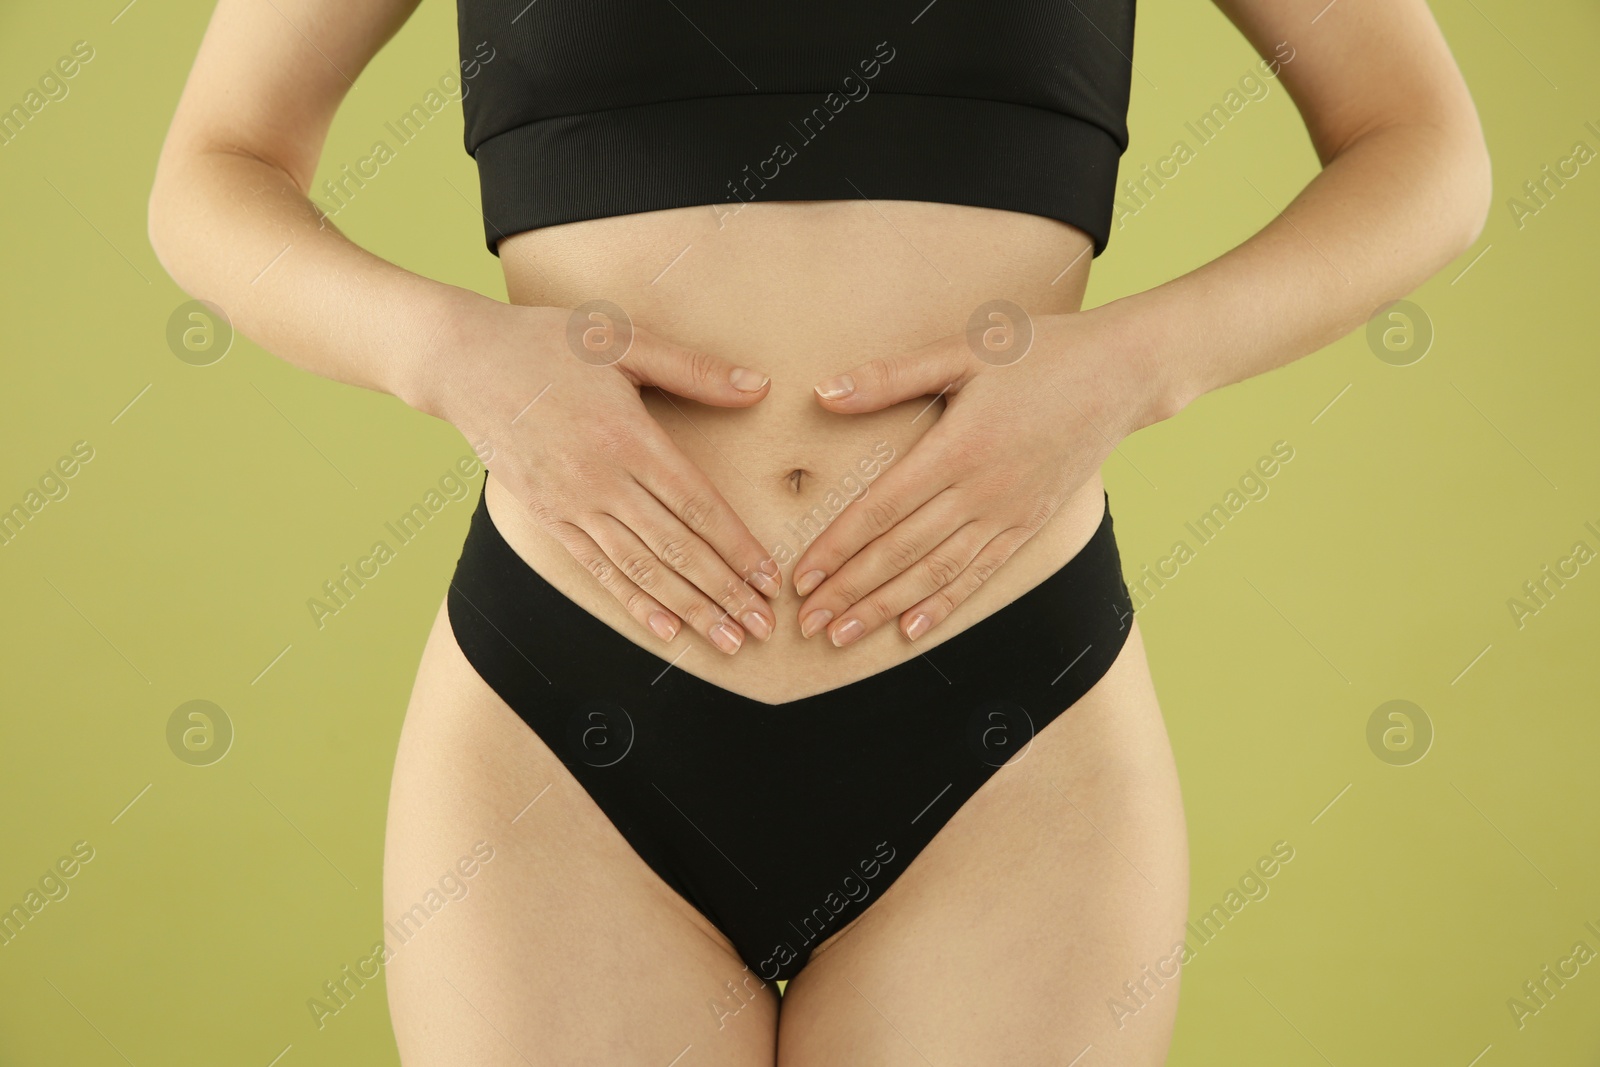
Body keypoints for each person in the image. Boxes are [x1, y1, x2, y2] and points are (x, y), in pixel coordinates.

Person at [148, 1, 1490, 1062]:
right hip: (565, 707)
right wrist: (450, 356)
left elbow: (1424, 145)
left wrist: (1136, 366)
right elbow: (215, 167)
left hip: (1004, 719)